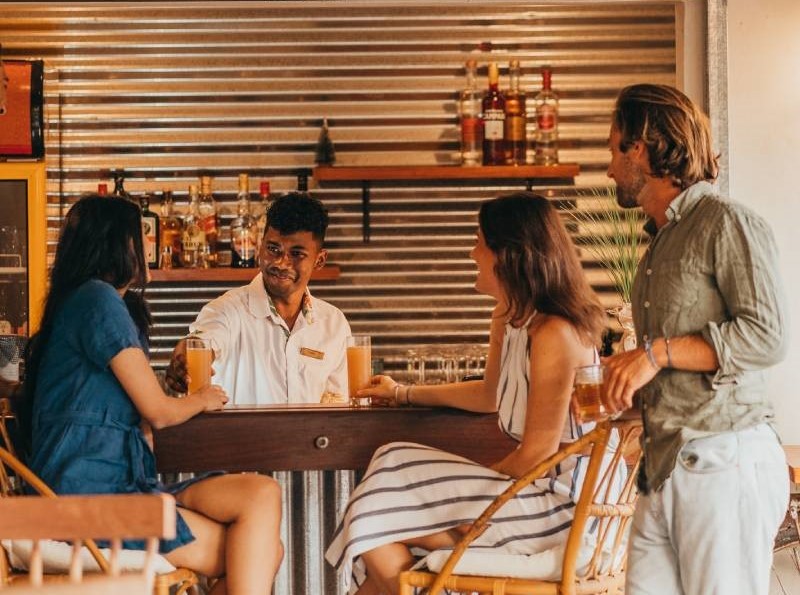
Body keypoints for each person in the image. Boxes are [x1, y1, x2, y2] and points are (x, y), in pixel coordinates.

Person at [325, 192, 623, 595]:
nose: (471, 253)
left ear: (508, 255)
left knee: (379, 510)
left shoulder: (554, 331)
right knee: (390, 467)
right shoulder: (509, 315)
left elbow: (537, 453)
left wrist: (476, 496)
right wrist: (402, 393)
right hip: (534, 489)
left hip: (566, 506)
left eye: (479, 242)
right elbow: (488, 395)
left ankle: (445, 545)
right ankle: (444, 547)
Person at [20, 194, 283, 595]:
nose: (148, 245)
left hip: (125, 487)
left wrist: (168, 393)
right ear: (116, 243)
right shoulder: (97, 299)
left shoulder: (94, 302)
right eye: (140, 235)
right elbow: (158, 412)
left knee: (262, 494)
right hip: (86, 502)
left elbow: (138, 410)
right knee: (262, 552)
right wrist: (202, 398)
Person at [601, 84, 788, 595]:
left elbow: (766, 337)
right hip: (663, 469)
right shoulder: (659, 245)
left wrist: (654, 354)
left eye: (614, 149)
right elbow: (678, 370)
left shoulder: (726, 222)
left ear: (643, 148)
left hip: (723, 462)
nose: (609, 169)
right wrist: (625, 388)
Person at [166, 192, 350, 404]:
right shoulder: (227, 310)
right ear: (260, 246)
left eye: (296, 254)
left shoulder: (334, 324)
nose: (281, 263)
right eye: (273, 249)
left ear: (319, 260)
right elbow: (202, 340)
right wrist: (186, 357)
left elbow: (338, 405)